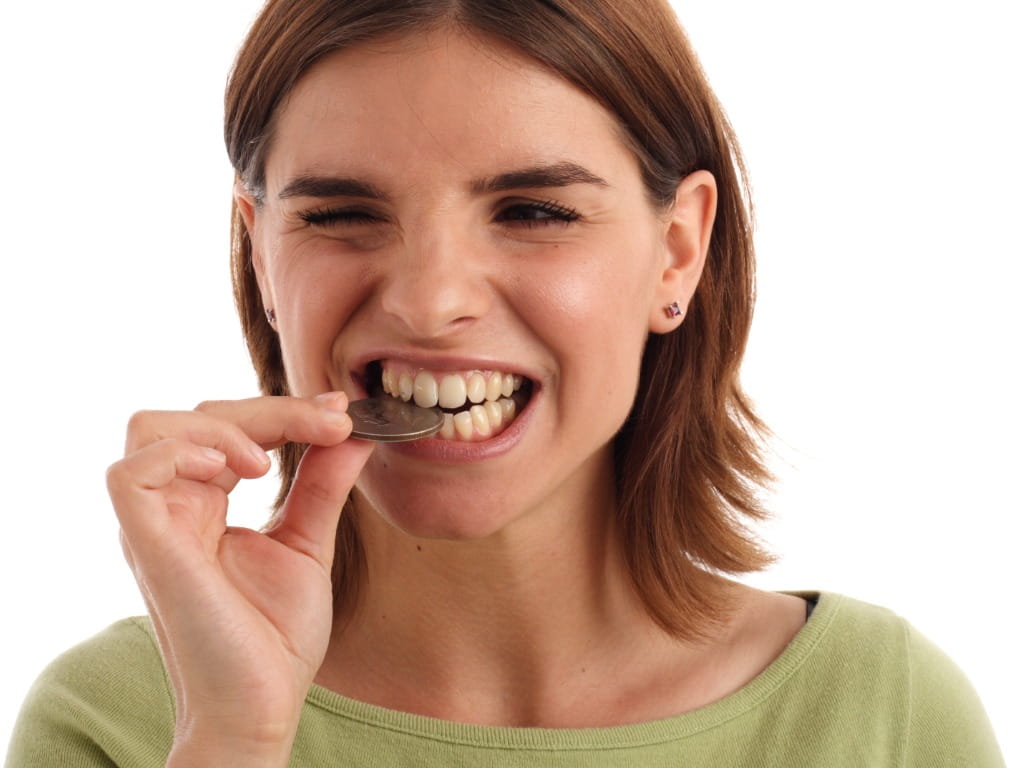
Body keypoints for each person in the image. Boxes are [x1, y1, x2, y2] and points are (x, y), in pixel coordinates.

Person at [5, 1, 1005, 766]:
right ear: (260, 256)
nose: (430, 300)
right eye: (341, 212)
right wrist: (231, 736)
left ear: (677, 252)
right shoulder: (122, 723)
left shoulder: (885, 715)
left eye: (534, 211)